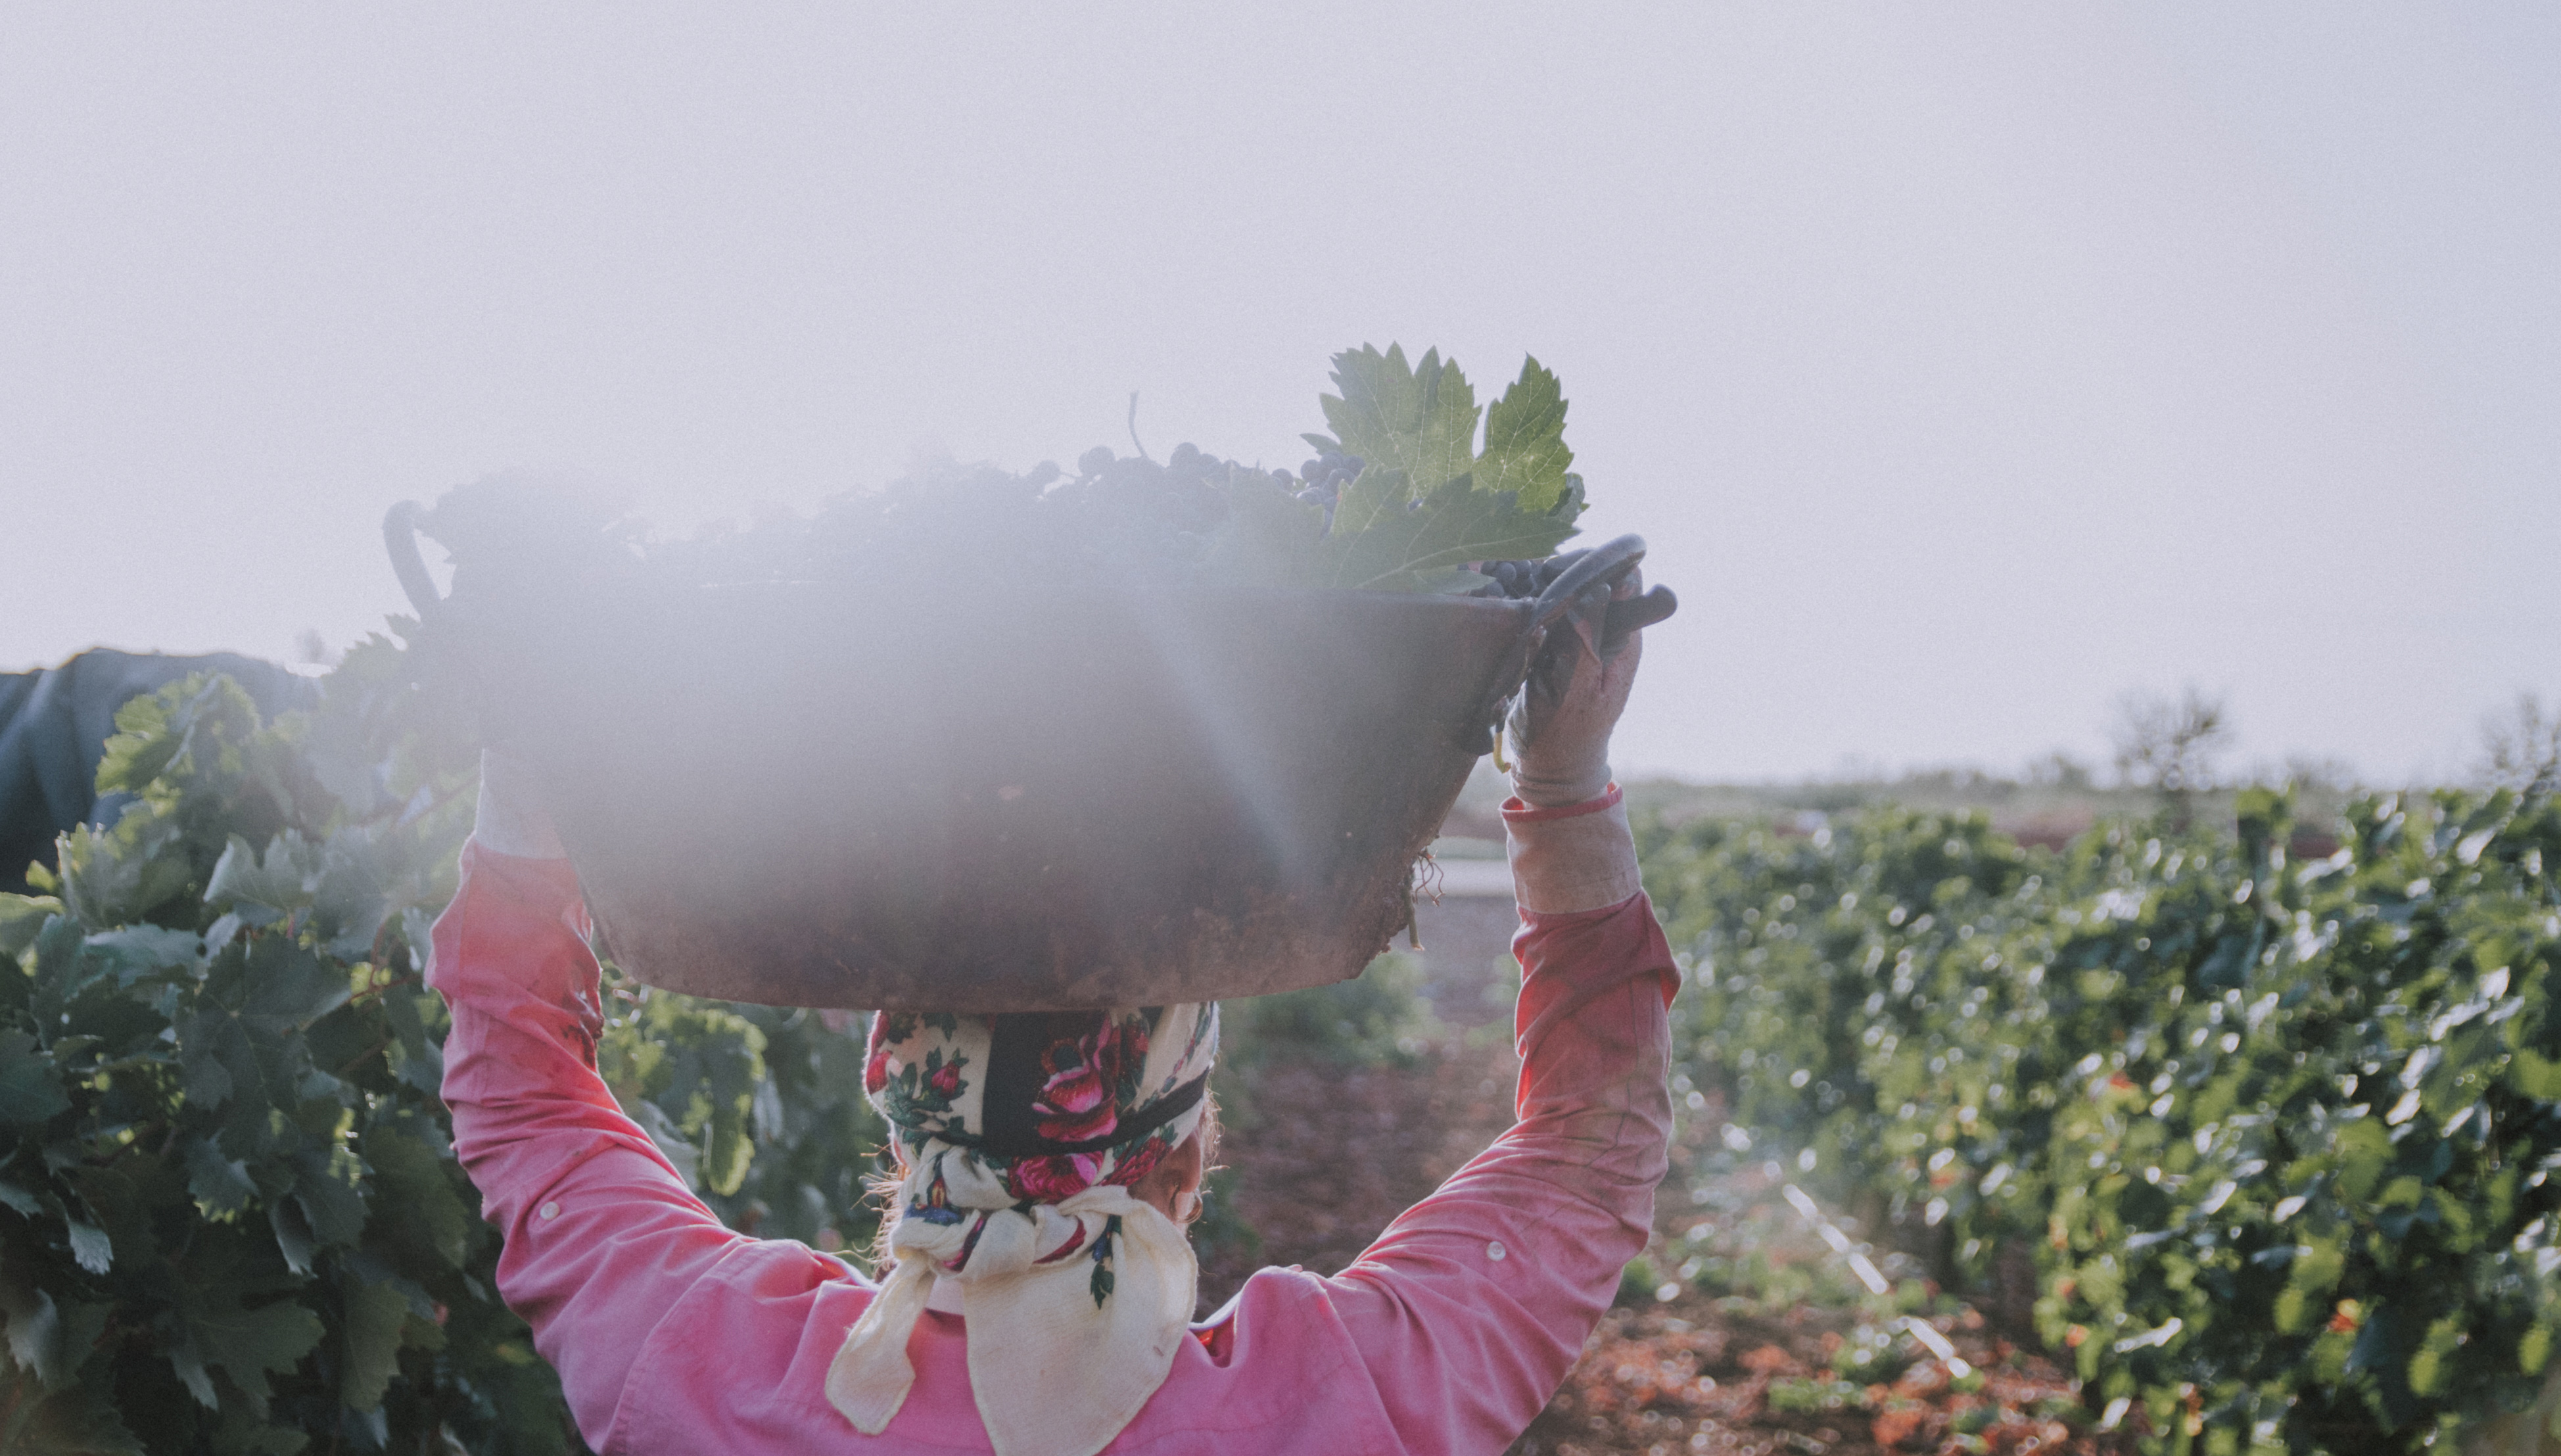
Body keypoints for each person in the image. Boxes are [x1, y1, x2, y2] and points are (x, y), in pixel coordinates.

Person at [427, 583, 1678, 1455]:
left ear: (907, 1121)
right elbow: (1592, 1152)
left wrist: (528, 763)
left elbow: (523, 1098)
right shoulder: (1332, 1408)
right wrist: (1563, 784)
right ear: (1185, 1153)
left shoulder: (706, 1373)